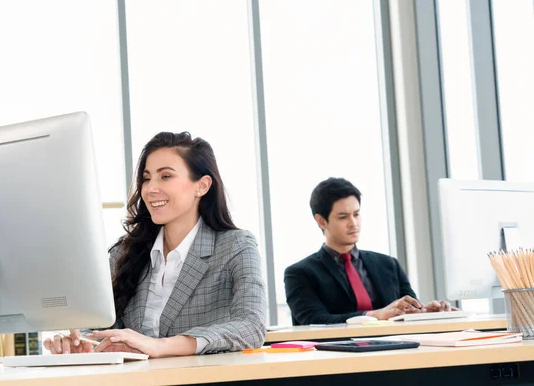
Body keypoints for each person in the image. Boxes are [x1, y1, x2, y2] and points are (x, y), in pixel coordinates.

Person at [43, 131, 267, 357]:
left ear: (202, 186)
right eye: (147, 178)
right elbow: (99, 327)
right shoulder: (125, 253)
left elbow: (251, 326)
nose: (150, 189)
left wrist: (162, 346)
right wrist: (82, 343)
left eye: (166, 176)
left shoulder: (235, 246)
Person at [284, 177, 457, 325]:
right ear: (321, 221)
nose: (354, 223)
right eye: (343, 217)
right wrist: (375, 315)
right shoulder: (300, 273)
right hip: (335, 356)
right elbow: (314, 321)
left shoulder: (388, 264)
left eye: (357, 214)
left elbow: (408, 310)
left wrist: (427, 312)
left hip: (396, 350)